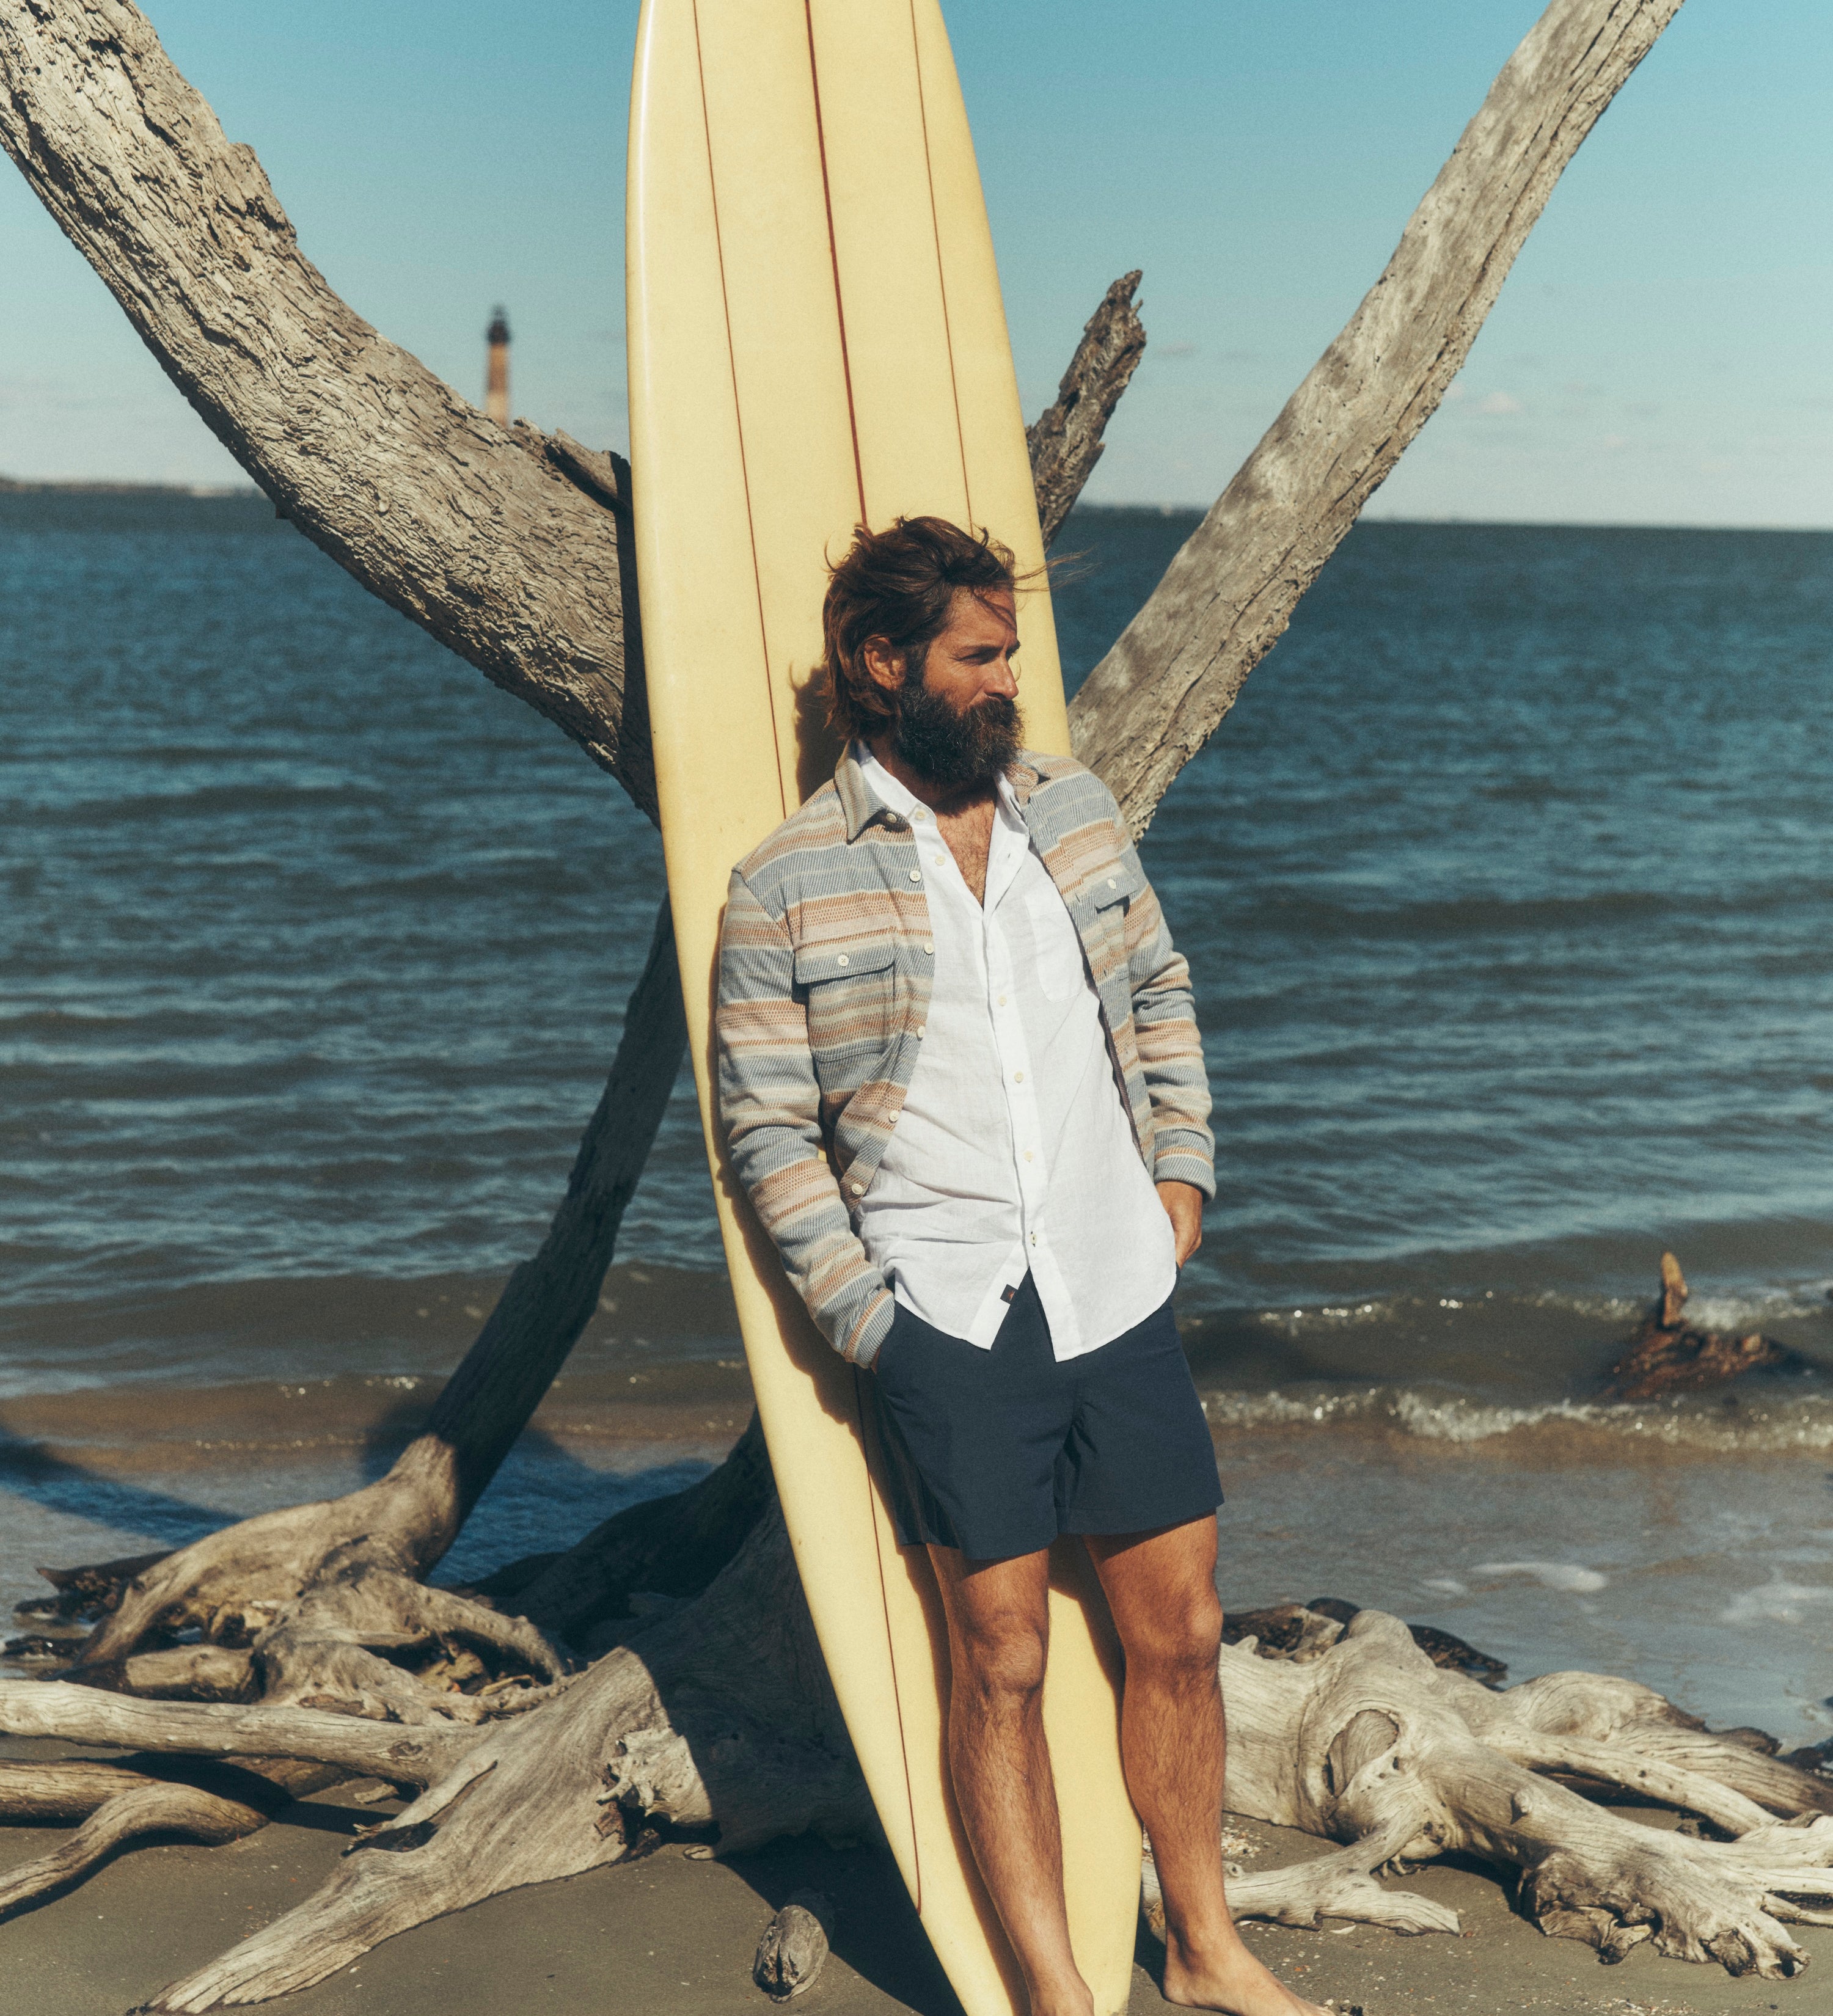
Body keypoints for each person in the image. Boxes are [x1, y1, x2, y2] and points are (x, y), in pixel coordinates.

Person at [715, 516, 1326, 2016]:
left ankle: (1204, 1949)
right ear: (883, 664)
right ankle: (1055, 1993)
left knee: (1177, 1633)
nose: (1008, 688)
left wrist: (1181, 1172)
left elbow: (1161, 985)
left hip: (1114, 1281)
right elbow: (767, 1131)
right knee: (998, 1663)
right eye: (979, 659)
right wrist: (870, 1323)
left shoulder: (1073, 809)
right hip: (949, 1312)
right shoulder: (784, 881)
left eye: (1011, 656)